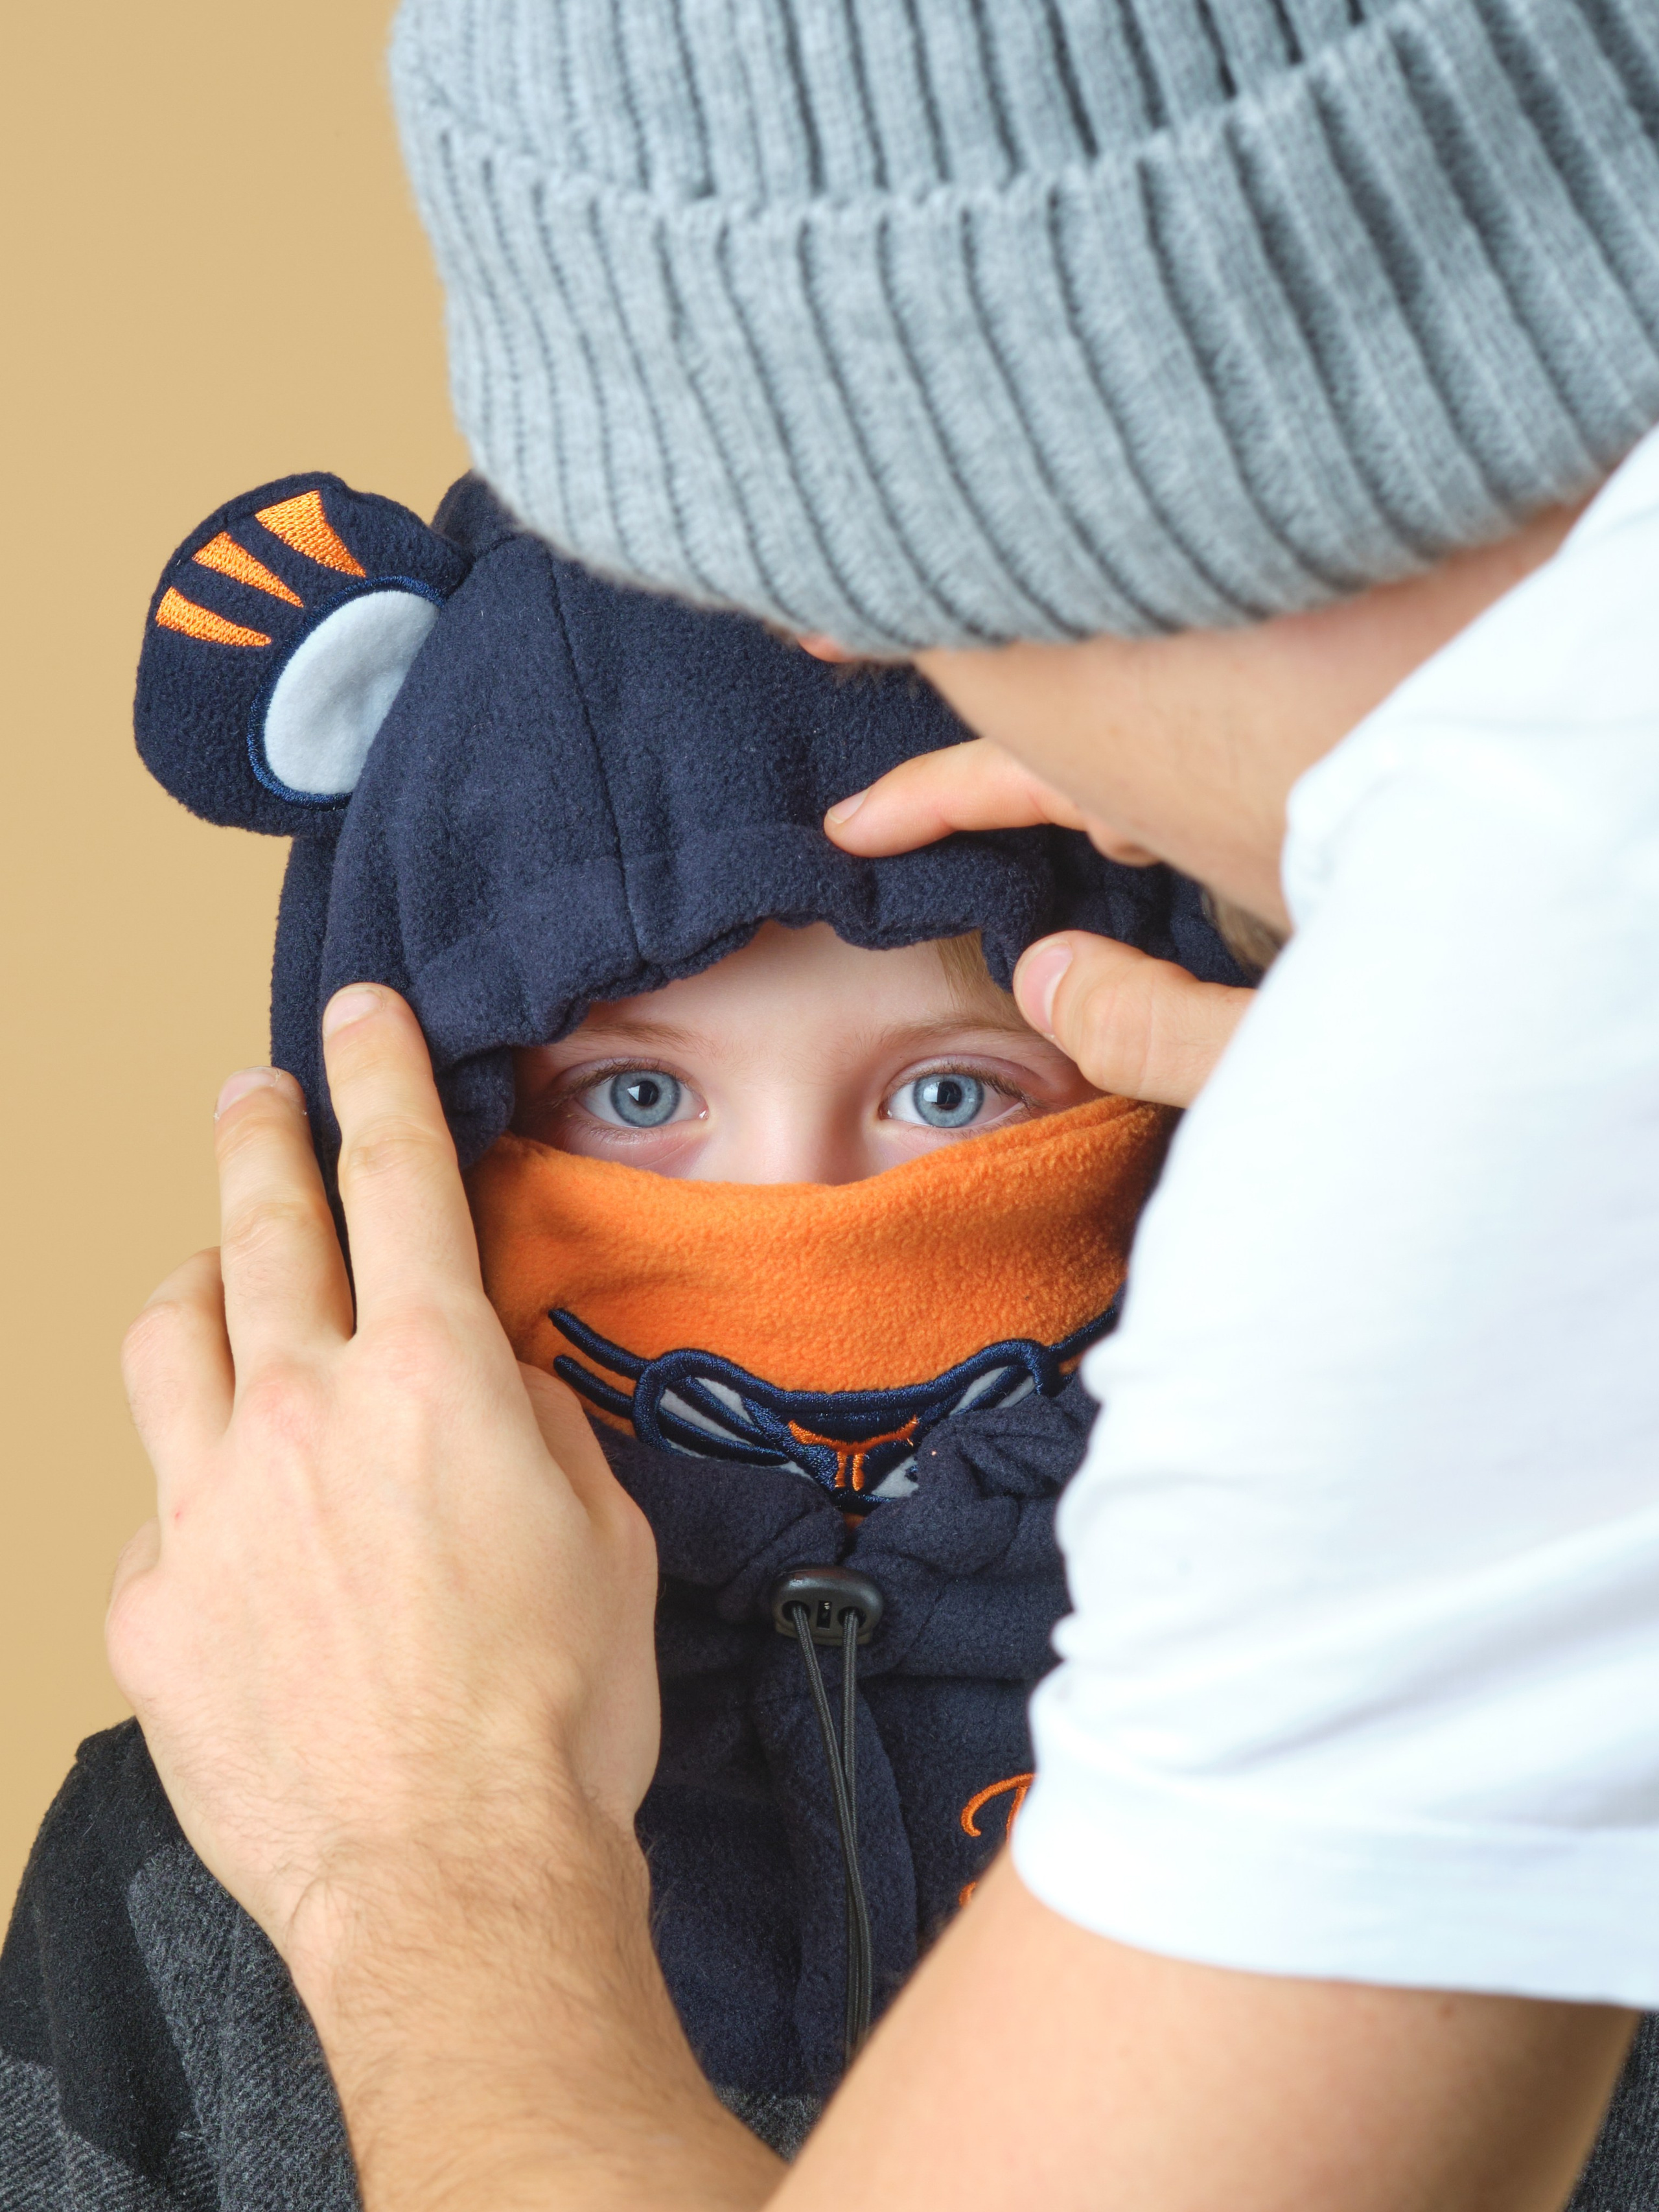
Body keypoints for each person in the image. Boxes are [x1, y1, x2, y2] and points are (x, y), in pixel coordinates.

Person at [89, 3, 1659, 2210]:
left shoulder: (1568, 1040)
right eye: (631, 1090)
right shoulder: (1554, 1073)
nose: (862, 673)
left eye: (869, 571)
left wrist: (422, 1851)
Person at [0, 468, 1251, 2201]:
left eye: (954, 1093)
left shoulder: (1418, 1717)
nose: (799, 1211)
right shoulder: (195, 1839)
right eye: (639, 1092)